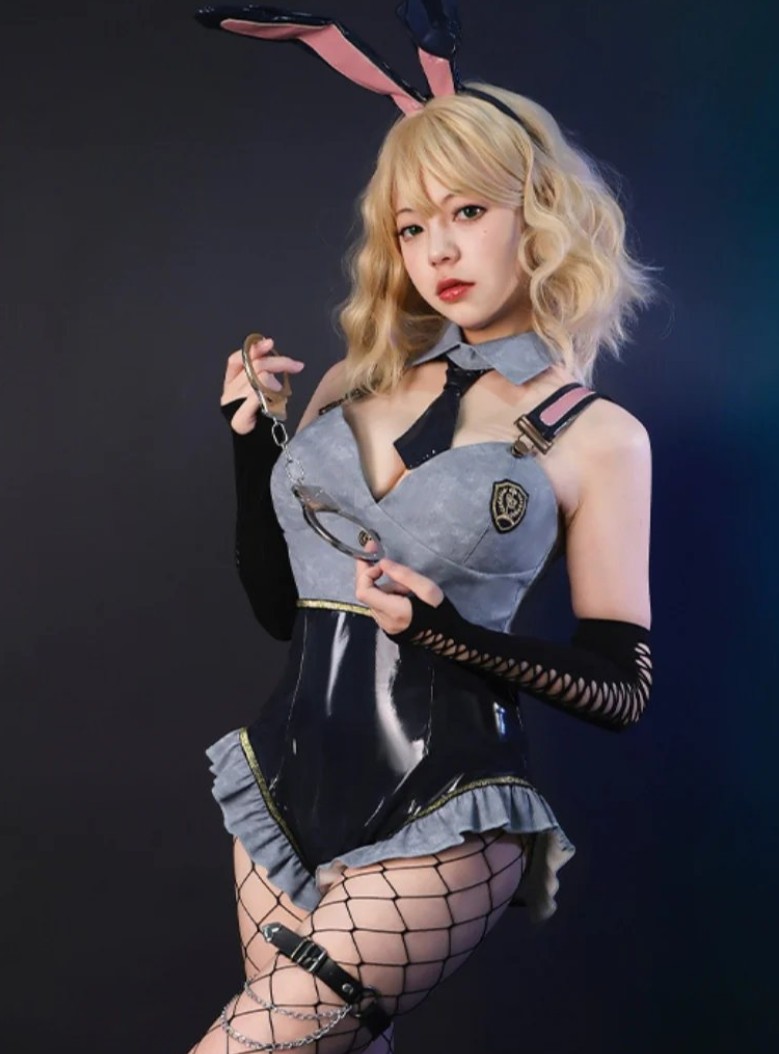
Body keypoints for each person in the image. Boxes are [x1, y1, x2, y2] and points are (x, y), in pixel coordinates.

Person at [189, 9, 654, 1053]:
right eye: (411, 226)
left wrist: (449, 636)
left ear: (538, 213)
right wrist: (251, 443)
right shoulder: (351, 383)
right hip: (279, 790)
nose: (437, 247)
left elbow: (623, 688)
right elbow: (283, 610)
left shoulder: (599, 436)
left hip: (445, 808)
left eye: (468, 211)